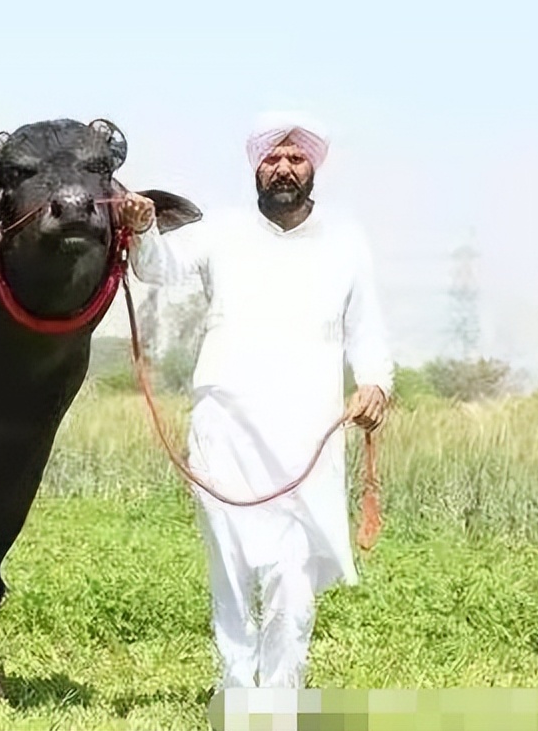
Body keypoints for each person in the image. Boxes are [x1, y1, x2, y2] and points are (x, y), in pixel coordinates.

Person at [117, 111, 394, 690]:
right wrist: (143, 228)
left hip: (308, 432)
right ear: (256, 168)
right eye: (272, 158)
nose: (284, 168)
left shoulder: (345, 238)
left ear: (313, 167)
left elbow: (367, 327)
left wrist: (374, 383)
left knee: (294, 574)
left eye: (295, 158)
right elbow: (159, 267)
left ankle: (281, 697)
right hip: (225, 427)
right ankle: (238, 694)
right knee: (232, 569)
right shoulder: (222, 230)